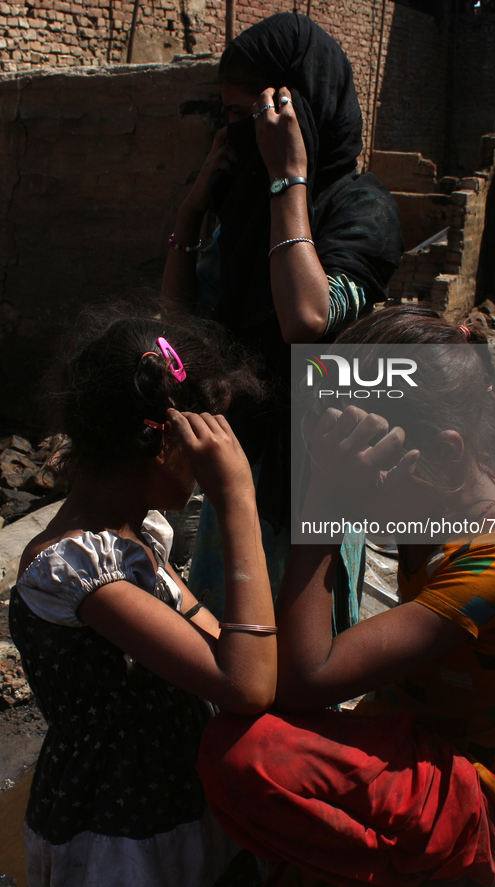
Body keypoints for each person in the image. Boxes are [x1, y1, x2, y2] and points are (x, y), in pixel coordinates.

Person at [197, 307, 495, 886]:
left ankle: (402, 871)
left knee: (239, 754)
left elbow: (303, 678)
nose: (353, 482)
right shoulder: (450, 505)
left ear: (445, 454)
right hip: (419, 743)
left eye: (362, 464)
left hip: (482, 800)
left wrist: (326, 503)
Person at [9, 310, 277, 887]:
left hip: (173, 807)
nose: (207, 469)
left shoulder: (135, 542)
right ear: (162, 444)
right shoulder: (77, 571)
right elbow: (248, 685)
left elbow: (228, 652)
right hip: (121, 835)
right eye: (202, 447)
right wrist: (238, 502)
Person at [161, 12, 404, 624]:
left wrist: (287, 178)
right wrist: (191, 215)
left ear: (294, 111)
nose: (236, 133)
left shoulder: (358, 207)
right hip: (238, 452)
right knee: (233, 633)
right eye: (231, 118)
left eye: (250, 116)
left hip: (315, 463)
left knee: (301, 648)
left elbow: (306, 318)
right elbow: (179, 327)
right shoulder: (242, 205)